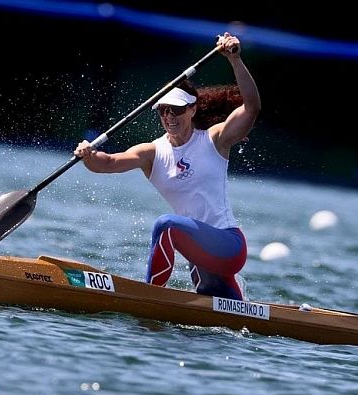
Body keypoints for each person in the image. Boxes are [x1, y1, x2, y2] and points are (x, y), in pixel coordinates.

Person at [74, 33, 261, 301]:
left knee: (166, 224)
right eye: (163, 110)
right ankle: (236, 298)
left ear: (192, 110)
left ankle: (150, 296)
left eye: (176, 110)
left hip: (228, 246)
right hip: (201, 257)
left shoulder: (215, 140)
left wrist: (235, 59)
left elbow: (252, 107)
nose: (169, 116)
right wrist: (89, 155)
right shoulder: (152, 152)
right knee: (223, 307)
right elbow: (108, 163)